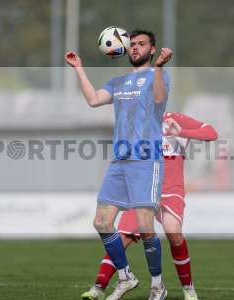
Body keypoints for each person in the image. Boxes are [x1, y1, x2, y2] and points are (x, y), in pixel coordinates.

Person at [65, 29, 173, 300]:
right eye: (132, 44)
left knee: (146, 225)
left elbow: (160, 99)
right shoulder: (118, 81)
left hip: (146, 159)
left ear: (152, 49)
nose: (135, 48)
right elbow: (92, 101)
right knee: (101, 222)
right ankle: (125, 277)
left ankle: (158, 286)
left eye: (141, 44)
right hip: (120, 161)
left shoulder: (157, 75)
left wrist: (159, 67)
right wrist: (79, 68)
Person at [82, 112, 218, 300]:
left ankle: (188, 289)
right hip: (143, 191)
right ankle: (99, 286)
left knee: (173, 232)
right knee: (121, 239)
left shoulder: (174, 118)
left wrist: (183, 131)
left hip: (171, 190)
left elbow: (211, 133)